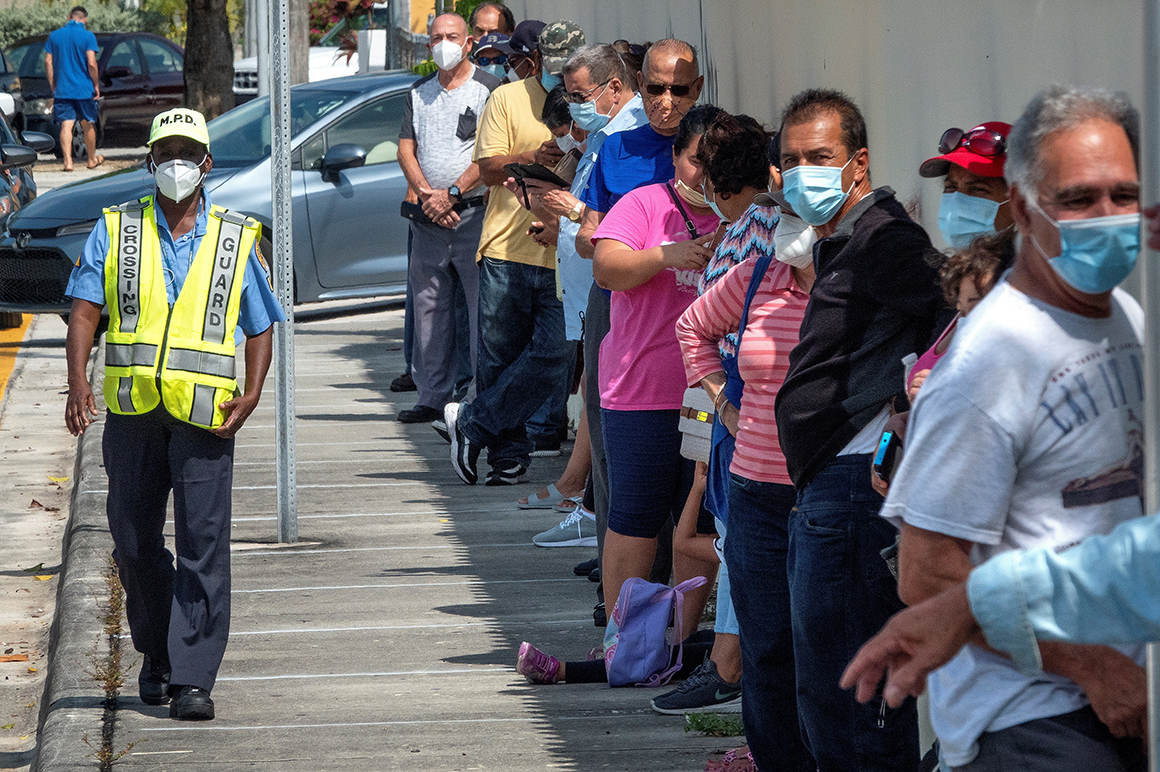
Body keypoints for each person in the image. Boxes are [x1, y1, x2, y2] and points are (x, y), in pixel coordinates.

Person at [873, 84, 1147, 772]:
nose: (1108, 218)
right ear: (1023, 208)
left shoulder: (1127, 321)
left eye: (1124, 195)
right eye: (1079, 200)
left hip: (1125, 706)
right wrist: (1089, 666)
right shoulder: (989, 365)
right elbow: (927, 573)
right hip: (1031, 723)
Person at [63, 108, 284, 721]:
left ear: (206, 163)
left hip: (207, 415)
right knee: (133, 543)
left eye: (189, 153)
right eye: (167, 153)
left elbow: (261, 325)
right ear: (151, 161)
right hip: (133, 411)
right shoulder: (117, 229)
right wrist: (78, 379)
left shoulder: (236, 237)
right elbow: (84, 309)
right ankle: (156, 652)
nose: (177, 164)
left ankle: (192, 677)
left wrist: (254, 389)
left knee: (202, 544)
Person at [771, 89, 948, 772]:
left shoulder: (886, 238)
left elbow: (947, 309)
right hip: (826, 489)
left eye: (819, 157)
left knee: (851, 702)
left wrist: (906, 408)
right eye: (790, 160)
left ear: (858, 163)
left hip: (850, 493)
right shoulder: (845, 241)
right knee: (829, 694)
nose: (801, 172)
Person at [674, 113, 814, 765]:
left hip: (774, 436)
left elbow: (713, 326)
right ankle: (761, 734)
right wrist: (722, 407)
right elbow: (697, 326)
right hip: (745, 423)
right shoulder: (750, 229)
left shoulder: (767, 232)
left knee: (774, 604)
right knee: (751, 577)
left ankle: (751, 710)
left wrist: (727, 406)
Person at [572, 38, 704, 626]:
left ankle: (680, 621)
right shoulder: (616, 148)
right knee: (617, 457)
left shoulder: (715, 141)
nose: (667, 101)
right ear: (637, 84)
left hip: (702, 330)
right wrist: (610, 240)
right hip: (625, 309)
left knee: (693, 488)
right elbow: (593, 234)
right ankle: (621, 603)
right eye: (655, 88)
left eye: (680, 89)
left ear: (699, 89)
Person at [591, 103, 723, 645]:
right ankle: (625, 639)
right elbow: (607, 267)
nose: (704, 174)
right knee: (635, 517)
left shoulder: (741, 212)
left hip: (711, 396)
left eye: (714, 162)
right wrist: (669, 255)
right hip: (640, 391)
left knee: (700, 524)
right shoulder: (644, 203)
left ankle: (677, 638)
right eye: (695, 160)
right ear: (674, 157)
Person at [443, 20, 584, 486]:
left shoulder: (587, 103)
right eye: (558, 67)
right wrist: (533, 158)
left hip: (563, 250)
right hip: (507, 245)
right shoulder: (506, 97)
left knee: (555, 355)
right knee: (500, 359)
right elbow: (486, 169)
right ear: (538, 61)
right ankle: (508, 456)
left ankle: (472, 423)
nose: (564, 77)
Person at [516, 43, 647, 524]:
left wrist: (571, 212)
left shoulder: (630, 135)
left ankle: (601, 518)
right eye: (568, 97)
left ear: (615, 87)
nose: (573, 107)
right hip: (591, 282)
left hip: (616, 285)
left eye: (579, 95)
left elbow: (627, 221)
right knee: (596, 401)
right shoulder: (601, 134)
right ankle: (599, 522)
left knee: (607, 406)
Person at [395, 13, 499, 425]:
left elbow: (490, 153)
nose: (444, 44)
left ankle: (478, 397)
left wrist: (453, 193)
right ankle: (432, 396)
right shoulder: (418, 93)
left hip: (474, 215)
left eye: (452, 36)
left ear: (469, 42)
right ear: (427, 46)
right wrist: (427, 196)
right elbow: (406, 150)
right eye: (437, 37)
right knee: (428, 309)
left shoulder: (490, 89)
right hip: (427, 221)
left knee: (482, 311)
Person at [920, 121, 1014, 250]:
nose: (957, 202)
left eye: (977, 189)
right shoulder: (954, 269)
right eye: (950, 187)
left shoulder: (1040, 268)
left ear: (1020, 201)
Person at [44, 5, 102, 172]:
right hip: (84, 88)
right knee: (88, 123)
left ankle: (68, 162)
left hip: (63, 88)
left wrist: (53, 85)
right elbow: (92, 63)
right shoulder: (88, 36)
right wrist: (96, 84)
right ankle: (91, 160)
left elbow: (48, 62)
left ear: (69, 17)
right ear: (84, 19)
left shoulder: (55, 36)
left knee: (66, 125)